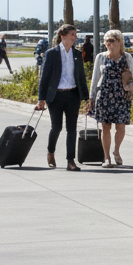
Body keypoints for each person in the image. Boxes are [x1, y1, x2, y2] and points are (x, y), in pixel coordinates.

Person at [36, 24, 89, 171]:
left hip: (73, 95)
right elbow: (44, 78)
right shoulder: (51, 53)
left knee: (72, 128)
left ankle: (70, 161)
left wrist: (86, 98)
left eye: (75, 34)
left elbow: (81, 77)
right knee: (57, 127)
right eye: (72, 34)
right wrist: (41, 99)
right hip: (56, 96)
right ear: (63, 36)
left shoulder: (77, 54)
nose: (75, 37)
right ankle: (51, 151)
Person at [89, 29, 133, 168]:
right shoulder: (101, 57)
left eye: (112, 40)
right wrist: (91, 97)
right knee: (105, 126)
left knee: (120, 126)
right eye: (107, 41)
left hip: (121, 95)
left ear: (119, 42)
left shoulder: (127, 57)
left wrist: (130, 88)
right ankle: (106, 157)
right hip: (104, 95)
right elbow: (95, 78)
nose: (108, 43)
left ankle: (116, 151)